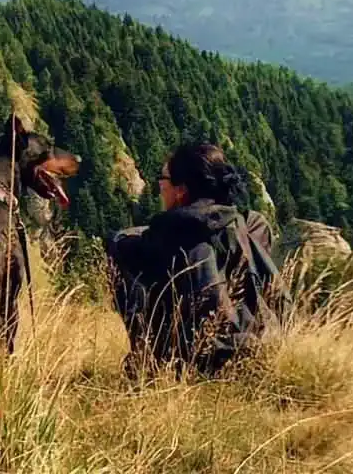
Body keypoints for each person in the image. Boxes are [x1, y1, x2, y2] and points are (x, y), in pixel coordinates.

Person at [105, 142, 290, 379]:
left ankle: (147, 359)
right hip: (249, 348)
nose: (159, 186)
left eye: (163, 178)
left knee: (119, 243)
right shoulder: (245, 225)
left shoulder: (169, 236)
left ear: (180, 190)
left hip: (187, 363)